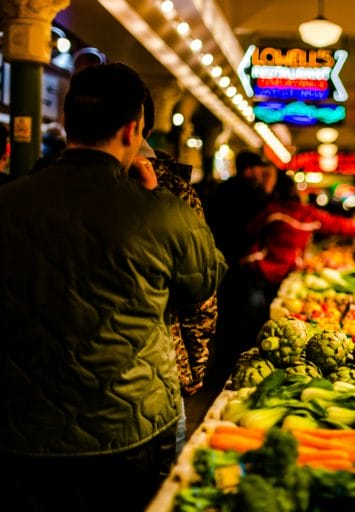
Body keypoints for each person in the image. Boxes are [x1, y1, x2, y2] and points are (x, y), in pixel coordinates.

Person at [0, 63, 227, 512]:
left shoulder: (8, 201)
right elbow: (202, 281)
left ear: (67, 123)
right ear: (134, 128)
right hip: (133, 426)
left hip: (23, 430)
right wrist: (157, 198)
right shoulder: (163, 210)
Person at [139, 94, 218, 452]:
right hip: (149, 384)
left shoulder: (31, 189)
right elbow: (198, 294)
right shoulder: (173, 194)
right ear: (139, 127)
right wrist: (195, 368)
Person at [240, 173, 355, 329]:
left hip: (262, 270)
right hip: (274, 270)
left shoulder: (271, 212)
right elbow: (336, 223)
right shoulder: (306, 213)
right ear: (295, 192)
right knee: (262, 314)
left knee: (255, 321)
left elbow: (250, 232)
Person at [205, 150, 277, 383]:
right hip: (244, 266)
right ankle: (235, 368)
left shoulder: (221, 190)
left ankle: (219, 367)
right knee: (245, 319)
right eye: (258, 169)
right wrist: (267, 189)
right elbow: (264, 223)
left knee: (224, 317)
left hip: (221, 260)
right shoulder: (253, 193)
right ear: (250, 169)